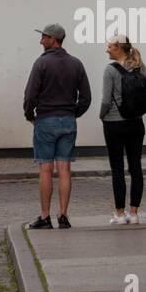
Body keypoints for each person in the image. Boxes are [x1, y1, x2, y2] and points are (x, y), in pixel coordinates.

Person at [23, 23, 91, 229]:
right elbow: (86, 97)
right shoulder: (76, 64)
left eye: (43, 37)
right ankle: (63, 215)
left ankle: (45, 217)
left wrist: (29, 115)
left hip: (45, 120)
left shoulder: (41, 64)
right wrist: (73, 113)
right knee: (65, 169)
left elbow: (30, 95)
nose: (40, 40)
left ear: (53, 40)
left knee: (45, 169)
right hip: (68, 121)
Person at [100, 34, 146, 225]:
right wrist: (139, 112)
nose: (107, 49)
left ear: (118, 48)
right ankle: (134, 214)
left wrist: (102, 115)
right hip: (135, 124)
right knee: (136, 167)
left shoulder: (110, 70)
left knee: (117, 168)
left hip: (113, 124)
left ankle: (119, 214)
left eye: (109, 46)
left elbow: (106, 101)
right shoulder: (140, 66)